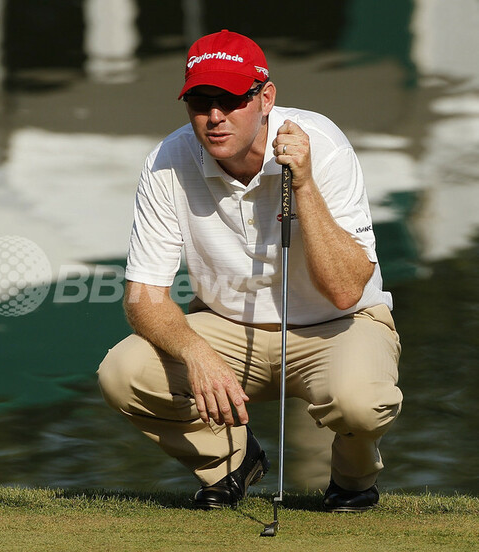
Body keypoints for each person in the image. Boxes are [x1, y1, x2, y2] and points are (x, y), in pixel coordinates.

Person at [97, 30, 402, 512]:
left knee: (360, 403)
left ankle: (352, 480)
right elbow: (144, 295)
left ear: (266, 98)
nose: (215, 116)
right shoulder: (166, 160)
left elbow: (345, 291)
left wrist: (303, 185)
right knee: (123, 372)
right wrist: (196, 352)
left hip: (339, 325)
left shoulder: (322, 144)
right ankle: (232, 462)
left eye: (232, 100)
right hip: (227, 328)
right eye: (200, 101)